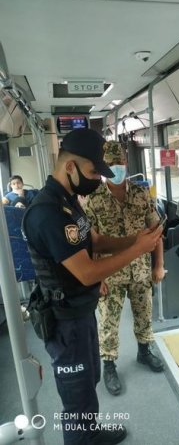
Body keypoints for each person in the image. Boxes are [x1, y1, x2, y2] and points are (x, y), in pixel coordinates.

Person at [22, 128, 163, 445]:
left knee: (89, 381)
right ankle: (82, 438)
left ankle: (91, 433)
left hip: (80, 312)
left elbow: (93, 239)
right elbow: (86, 272)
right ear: (69, 166)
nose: (97, 180)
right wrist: (137, 251)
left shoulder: (69, 200)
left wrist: (134, 240)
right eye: (92, 171)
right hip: (66, 318)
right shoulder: (48, 212)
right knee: (77, 394)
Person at [83, 141, 165, 397]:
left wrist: (159, 265)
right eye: (111, 165)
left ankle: (144, 351)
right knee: (108, 322)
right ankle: (109, 365)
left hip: (140, 270)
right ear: (103, 167)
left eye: (121, 164)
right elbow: (89, 242)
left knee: (144, 314)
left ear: (127, 164)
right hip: (110, 272)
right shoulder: (93, 199)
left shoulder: (142, 194)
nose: (117, 169)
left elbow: (156, 233)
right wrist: (97, 276)